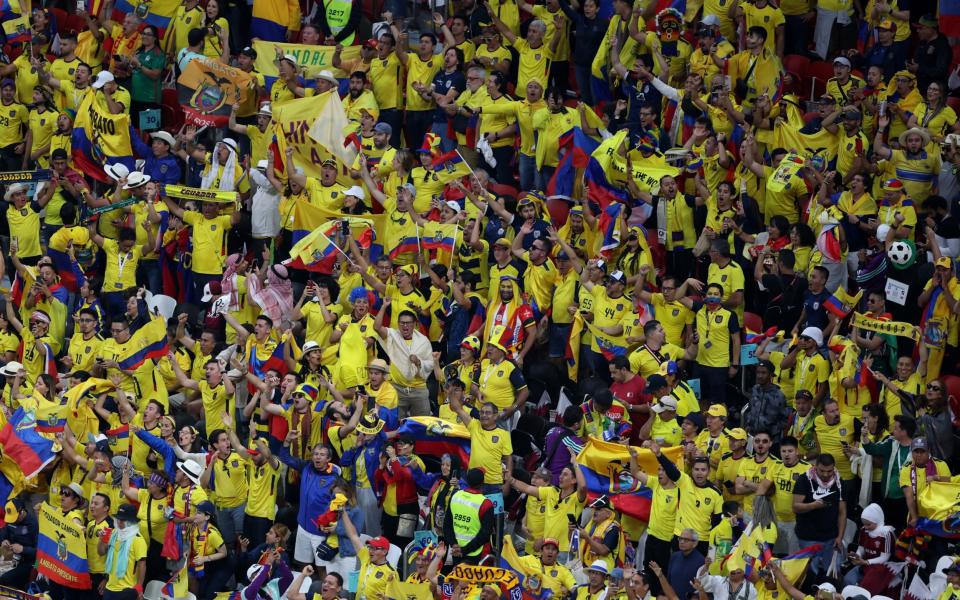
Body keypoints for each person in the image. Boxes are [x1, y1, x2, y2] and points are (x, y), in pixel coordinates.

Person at [793, 453, 846, 578]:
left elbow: (842, 512)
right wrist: (813, 506)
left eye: (830, 471)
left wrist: (840, 536)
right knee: (810, 574)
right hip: (808, 537)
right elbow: (795, 507)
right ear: (815, 467)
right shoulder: (804, 480)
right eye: (822, 471)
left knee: (832, 573)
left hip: (831, 538)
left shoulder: (838, 481)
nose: (826, 474)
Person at [444, 468, 496, 565]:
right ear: (482, 483)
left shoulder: (455, 496)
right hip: (475, 554)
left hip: (455, 551)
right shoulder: (486, 503)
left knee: (456, 578)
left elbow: (447, 525)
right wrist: (464, 550)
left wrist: (454, 545)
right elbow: (485, 534)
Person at [98, 504, 146, 600]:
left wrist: (139, 588)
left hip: (127, 590)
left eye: (123, 520)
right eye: (118, 519)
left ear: (131, 521)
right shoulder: (113, 534)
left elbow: (142, 565)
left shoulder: (138, 539)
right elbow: (101, 552)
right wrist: (101, 540)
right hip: (109, 588)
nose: (119, 522)